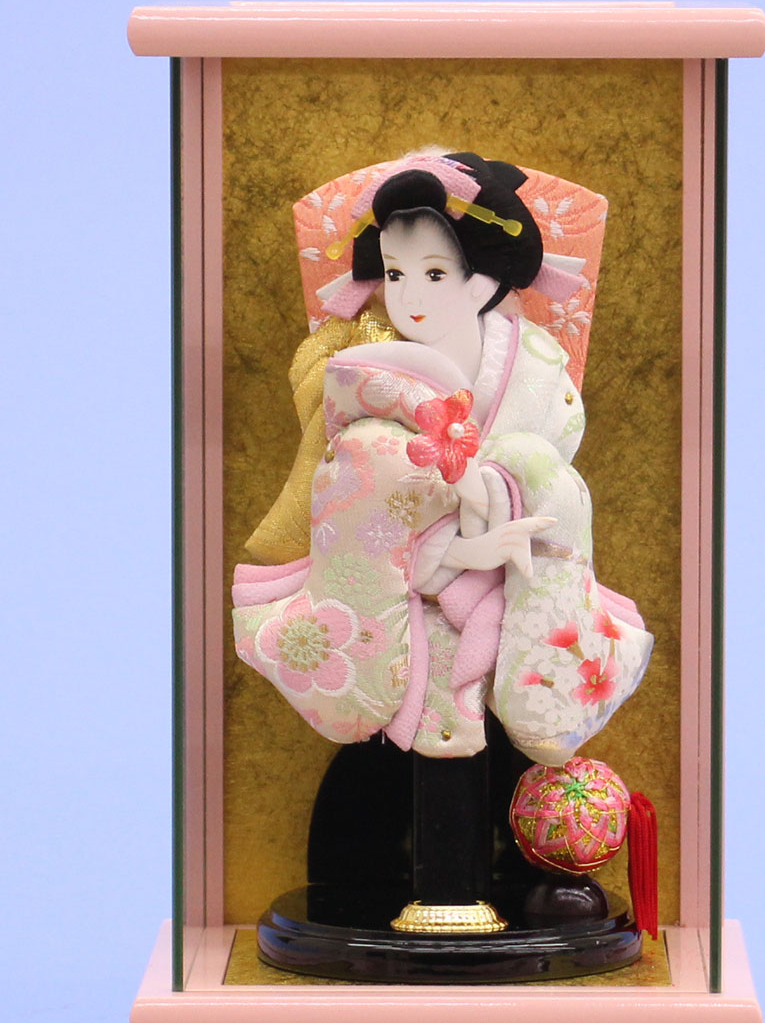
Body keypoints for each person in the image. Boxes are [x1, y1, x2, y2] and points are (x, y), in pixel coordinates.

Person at [232, 150, 652, 770]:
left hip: (512, 609)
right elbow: (361, 504)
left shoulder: (539, 369)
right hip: (400, 622)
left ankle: (538, 715)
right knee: (373, 452)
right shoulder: (367, 377)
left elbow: (551, 474)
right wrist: (455, 551)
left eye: (434, 273)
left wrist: (506, 489)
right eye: (394, 274)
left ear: (483, 277)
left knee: (536, 462)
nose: (408, 296)